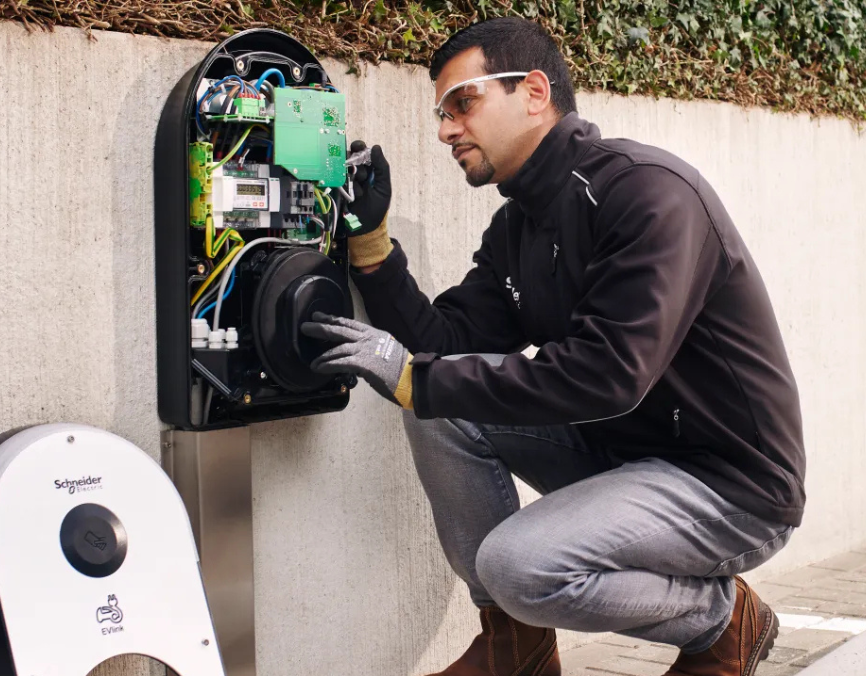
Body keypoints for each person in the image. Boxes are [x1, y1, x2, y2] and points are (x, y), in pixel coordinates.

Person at [301, 16, 806, 676]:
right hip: (626, 456)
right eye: (442, 113)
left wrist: (416, 377)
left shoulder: (648, 194)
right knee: (438, 402)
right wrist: (370, 243)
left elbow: (608, 375)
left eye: (464, 102)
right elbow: (443, 347)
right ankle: (518, 653)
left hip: (731, 484)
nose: (447, 129)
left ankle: (721, 620)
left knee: (518, 563)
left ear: (535, 91)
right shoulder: (519, 229)